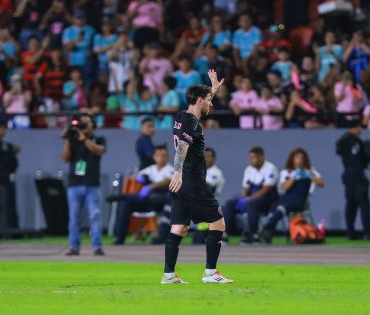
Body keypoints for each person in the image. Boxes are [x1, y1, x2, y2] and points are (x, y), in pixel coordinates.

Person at [162, 70, 233, 284]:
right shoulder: (192, 123)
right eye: (209, 100)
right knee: (218, 225)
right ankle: (211, 273)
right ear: (200, 100)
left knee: (179, 228)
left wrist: (214, 88)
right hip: (191, 181)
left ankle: (169, 275)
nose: (211, 104)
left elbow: (181, 141)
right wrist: (178, 171)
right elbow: (182, 147)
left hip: (180, 185)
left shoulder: (180, 117)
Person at [61, 113, 107, 256]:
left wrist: (85, 139)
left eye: (87, 122)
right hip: (75, 184)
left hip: (92, 184)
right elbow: (65, 158)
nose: (84, 125)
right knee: (74, 217)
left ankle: (97, 246)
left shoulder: (99, 138)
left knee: (95, 216)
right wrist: (68, 138)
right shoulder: (73, 139)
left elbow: (99, 151)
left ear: (93, 124)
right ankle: (74, 246)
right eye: (82, 122)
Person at [261, 148, 325, 244]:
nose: (299, 160)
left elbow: (321, 183)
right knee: (275, 205)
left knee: (281, 207)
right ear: (292, 159)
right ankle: (268, 231)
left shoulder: (309, 171)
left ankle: (266, 228)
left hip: (300, 200)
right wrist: (294, 176)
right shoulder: (286, 172)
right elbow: (284, 188)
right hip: (287, 197)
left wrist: (310, 175)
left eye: (302, 158)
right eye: (297, 158)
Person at [113, 145, 174, 245]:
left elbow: (167, 180)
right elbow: (137, 176)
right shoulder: (151, 169)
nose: (161, 158)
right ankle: (120, 238)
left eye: (163, 155)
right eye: (158, 155)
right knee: (126, 203)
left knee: (136, 197)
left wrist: (151, 186)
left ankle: (119, 197)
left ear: (167, 157)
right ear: (154, 157)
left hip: (161, 200)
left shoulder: (171, 169)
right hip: (147, 200)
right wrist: (141, 178)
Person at [223, 146, 278, 243]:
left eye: (253, 158)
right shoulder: (249, 169)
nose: (251, 160)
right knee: (229, 204)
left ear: (261, 157)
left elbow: (265, 190)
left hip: (268, 201)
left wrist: (249, 199)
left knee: (251, 204)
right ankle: (227, 233)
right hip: (251, 199)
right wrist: (243, 198)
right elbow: (246, 188)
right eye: (250, 158)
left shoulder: (271, 168)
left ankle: (253, 234)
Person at [335, 121, 370, 240]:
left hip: (347, 174)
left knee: (351, 204)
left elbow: (339, 151)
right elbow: (358, 158)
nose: (361, 130)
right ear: (354, 127)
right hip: (357, 174)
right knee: (364, 203)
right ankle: (367, 232)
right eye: (359, 127)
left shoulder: (342, 140)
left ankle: (350, 232)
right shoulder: (355, 141)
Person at [0, 118, 19, 229]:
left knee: (7, 207)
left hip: (5, 180)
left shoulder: (6, 146)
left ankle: (7, 230)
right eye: (2, 128)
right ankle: (4, 230)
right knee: (4, 206)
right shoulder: (5, 147)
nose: (4, 130)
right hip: (3, 180)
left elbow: (13, 164)